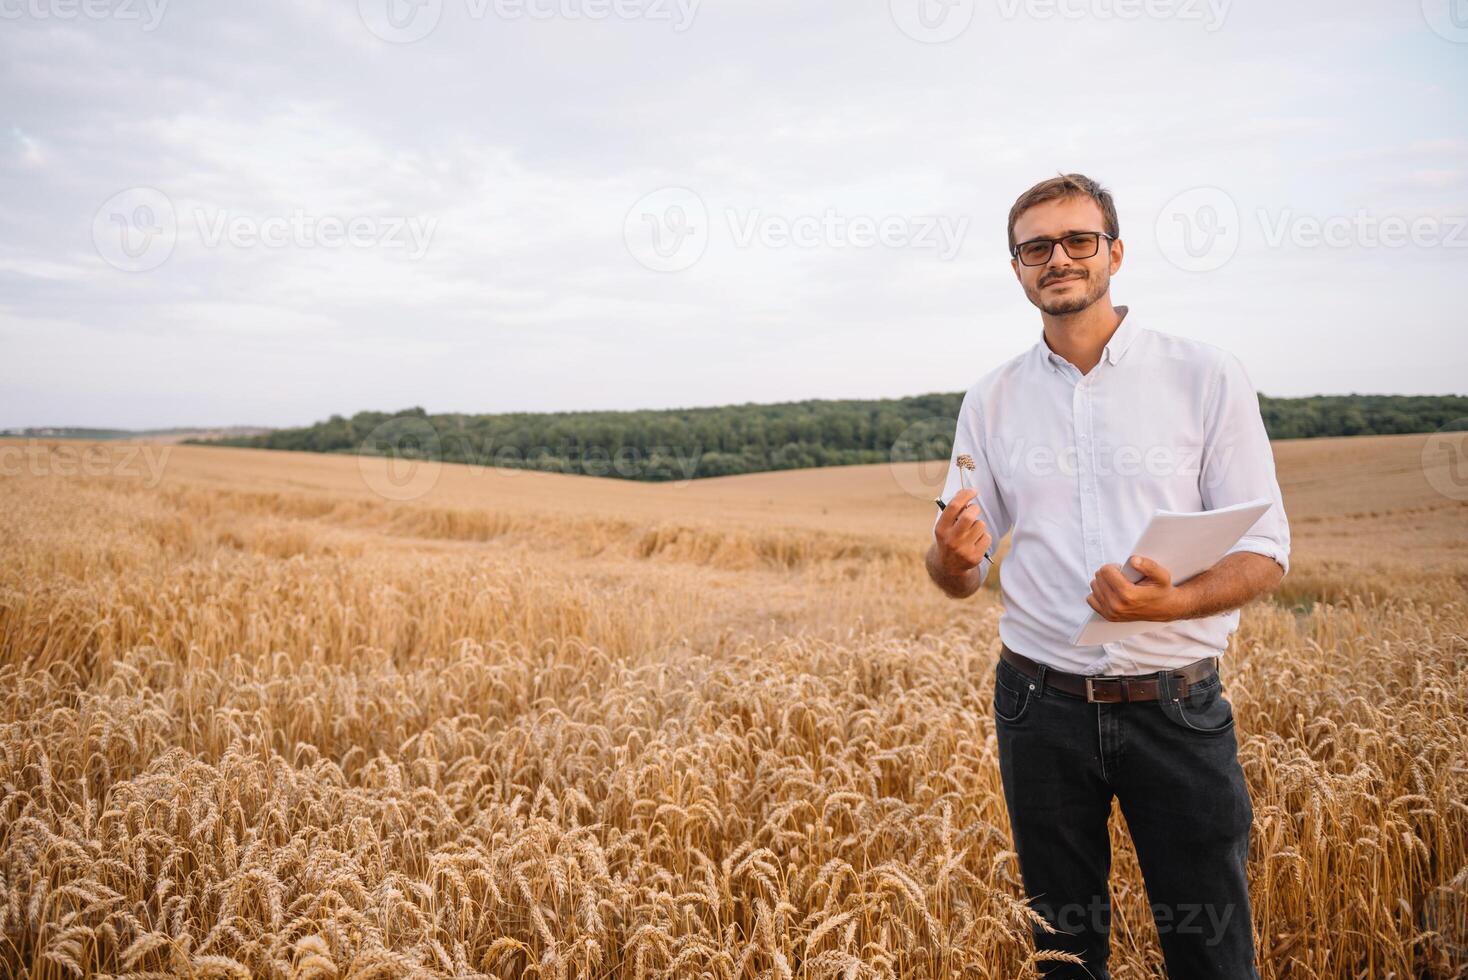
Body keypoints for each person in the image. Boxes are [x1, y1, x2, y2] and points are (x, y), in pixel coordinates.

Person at [925, 172, 1290, 979]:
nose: (1057, 258)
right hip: (1038, 707)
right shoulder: (991, 400)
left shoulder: (1205, 375)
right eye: (1035, 247)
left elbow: (1267, 549)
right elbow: (959, 571)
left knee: (1213, 953)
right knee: (1063, 954)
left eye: (1077, 240)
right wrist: (950, 560)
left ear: (1114, 253)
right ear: (1017, 267)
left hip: (1177, 703)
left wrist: (1178, 600)